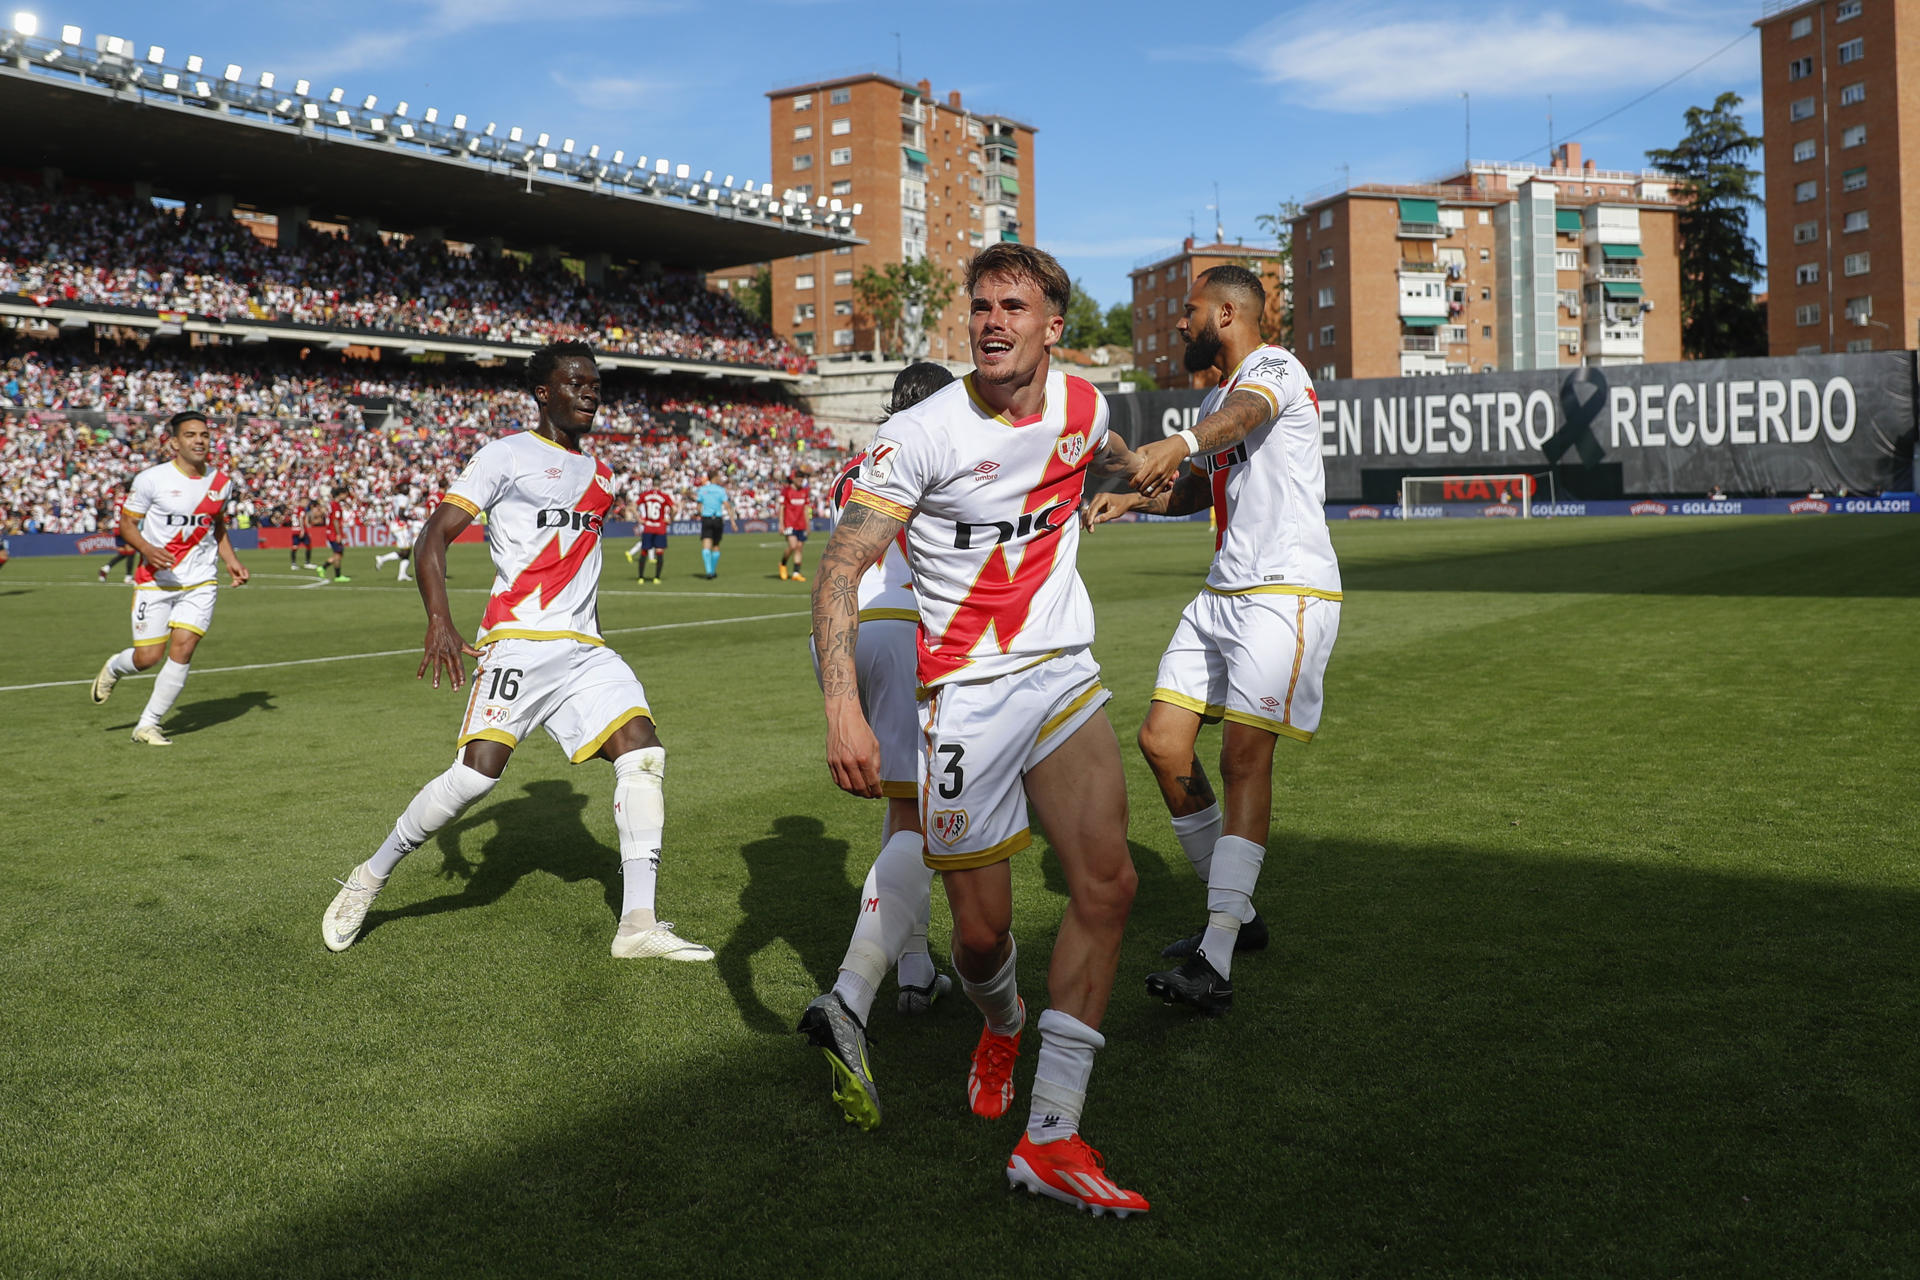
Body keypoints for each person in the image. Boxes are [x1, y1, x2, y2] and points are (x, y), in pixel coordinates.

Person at [810, 244, 1149, 1216]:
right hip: (962, 697)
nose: (993, 321)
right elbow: (841, 568)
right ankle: (999, 1020)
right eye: (981, 305)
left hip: (1061, 674)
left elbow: (1102, 459)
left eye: (1014, 306)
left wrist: (1143, 477)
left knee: (1109, 881)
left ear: (1052, 325)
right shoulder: (920, 433)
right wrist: (842, 705)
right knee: (982, 936)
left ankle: (1050, 1133)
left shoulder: (1086, 407)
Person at [321, 341, 711, 963]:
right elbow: (433, 538)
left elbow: (579, 570)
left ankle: (638, 922)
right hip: (519, 643)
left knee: (643, 753)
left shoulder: (603, 475)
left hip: (585, 649)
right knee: (474, 778)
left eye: (595, 383)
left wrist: (593, 635)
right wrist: (440, 622)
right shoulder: (504, 455)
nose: (590, 392)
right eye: (576, 382)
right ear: (543, 391)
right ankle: (369, 875)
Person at [1086, 263, 1341, 1017]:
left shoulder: (1272, 369)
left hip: (1285, 589)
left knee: (1241, 757)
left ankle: (1217, 951)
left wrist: (1181, 439)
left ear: (1228, 313)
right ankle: (1237, 915)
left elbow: (1243, 420)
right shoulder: (1212, 395)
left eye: (1190, 311)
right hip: (1224, 591)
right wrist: (1136, 494)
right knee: (1162, 742)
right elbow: (1203, 484)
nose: (1181, 322)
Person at [797, 362, 957, 1131]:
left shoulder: (858, 466)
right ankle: (853, 993)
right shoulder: (939, 445)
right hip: (905, 630)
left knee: (906, 805)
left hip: (841, 634)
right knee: (927, 818)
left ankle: (918, 972)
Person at [88, 411, 250, 745]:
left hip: (201, 579)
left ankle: (148, 724)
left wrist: (231, 560)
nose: (199, 440)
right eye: (190, 435)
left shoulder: (221, 482)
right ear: (174, 442)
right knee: (148, 658)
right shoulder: (151, 479)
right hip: (156, 579)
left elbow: (216, 526)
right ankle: (116, 668)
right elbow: (127, 525)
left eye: (204, 434)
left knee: (184, 647)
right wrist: (147, 548)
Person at [623, 481, 674, 583]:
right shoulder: (664, 496)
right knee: (659, 552)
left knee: (644, 552)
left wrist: (638, 518)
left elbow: (632, 507)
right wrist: (670, 518)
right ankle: (657, 578)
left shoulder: (645, 495)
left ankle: (641, 577)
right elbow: (674, 508)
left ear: (652, 485)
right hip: (660, 528)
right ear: (660, 485)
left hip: (648, 527)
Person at [777, 472, 812, 582]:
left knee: (799, 547)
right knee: (793, 546)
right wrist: (781, 524)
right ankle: (782, 564)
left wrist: (808, 525)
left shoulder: (804, 491)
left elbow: (806, 509)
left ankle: (796, 573)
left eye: (803, 479)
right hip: (789, 523)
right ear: (794, 479)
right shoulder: (786, 491)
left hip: (801, 524)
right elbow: (782, 508)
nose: (801, 481)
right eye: (800, 479)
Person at [695, 474, 728, 579]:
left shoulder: (702, 489)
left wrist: (700, 514)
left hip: (707, 518)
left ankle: (709, 571)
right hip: (717, 519)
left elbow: (699, 506)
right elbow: (727, 505)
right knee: (716, 545)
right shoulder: (720, 490)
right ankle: (713, 571)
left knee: (706, 545)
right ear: (714, 478)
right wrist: (732, 521)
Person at [317, 487, 351, 584]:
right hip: (333, 533)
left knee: (339, 554)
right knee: (338, 554)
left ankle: (323, 568)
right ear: (341, 494)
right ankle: (337, 575)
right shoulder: (335, 505)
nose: (346, 496)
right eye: (345, 494)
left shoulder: (331, 504)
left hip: (331, 532)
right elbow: (335, 520)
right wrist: (338, 534)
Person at [289, 499, 318, 572]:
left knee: (295, 547)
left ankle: (293, 564)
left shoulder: (295, 509)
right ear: (301, 502)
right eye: (305, 502)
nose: (306, 504)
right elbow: (300, 518)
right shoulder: (301, 509)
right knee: (308, 545)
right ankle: (307, 563)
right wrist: (302, 530)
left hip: (294, 529)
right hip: (300, 530)